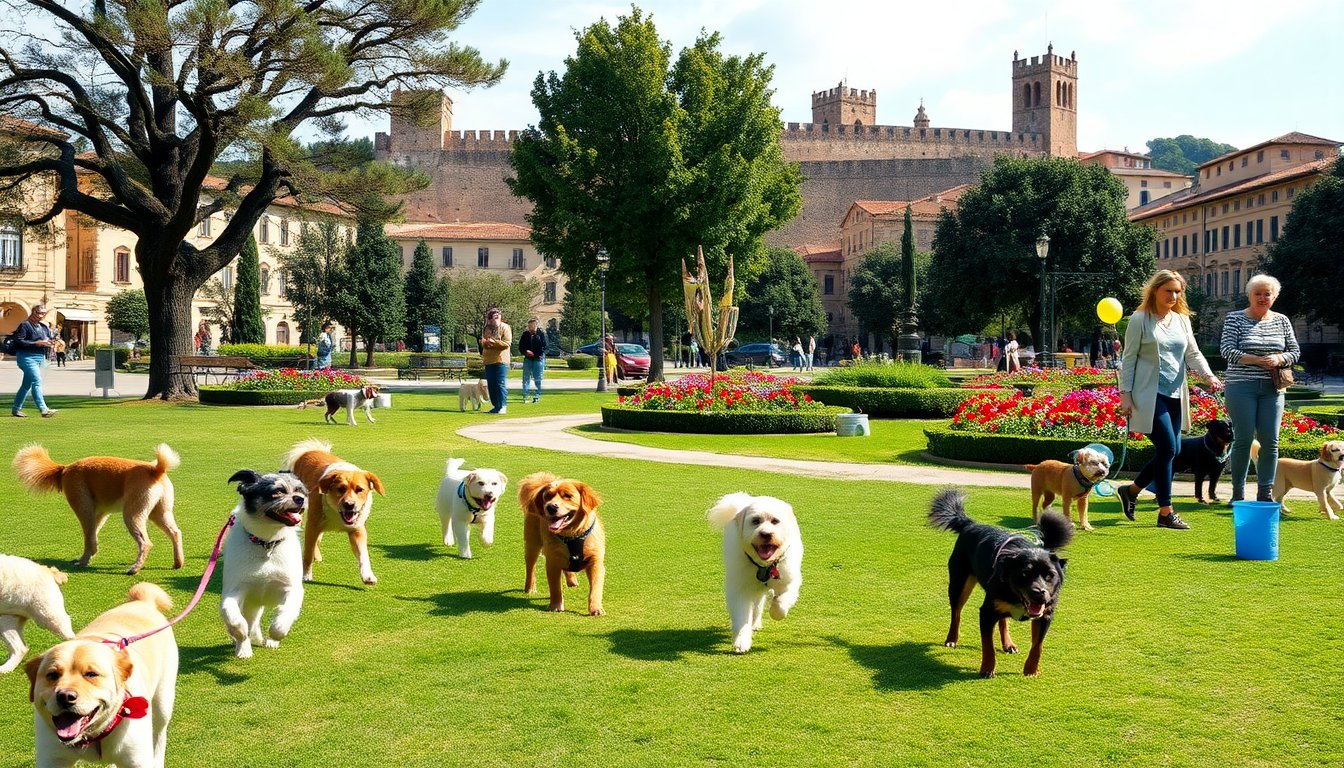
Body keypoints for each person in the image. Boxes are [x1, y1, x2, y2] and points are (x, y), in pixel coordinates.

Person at [1116, 270, 1223, 530]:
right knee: (1167, 448)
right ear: (1155, 290)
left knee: (1172, 451)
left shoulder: (1182, 320)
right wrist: (1125, 395)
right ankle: (1166, 512)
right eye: (1168, 291)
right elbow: (1128, 359)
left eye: (1177, 291)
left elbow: (1193, 353)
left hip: (1176, 394)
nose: (1173, 296)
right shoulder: (1140, 319)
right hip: (1148, 394)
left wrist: (1208, 376)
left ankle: (1131, 491)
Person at [1220, 273, 1300, 503]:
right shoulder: (1235, 318)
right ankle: (1237, 492)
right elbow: (1227, 350)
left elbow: (1294, 351)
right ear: (1249, 295)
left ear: (1274, 297)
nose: (1262, 298)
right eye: (1258, 293)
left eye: (1267, 294)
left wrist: (1279, 358)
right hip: (1241, 386)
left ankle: (1265, 492)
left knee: (1270, 441)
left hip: (1272, 388)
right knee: (1243, 439)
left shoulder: (1282, 320)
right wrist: (1256, 360)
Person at [11, 304, 58, 417]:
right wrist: (36, 343)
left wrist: (51, 342)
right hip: (26, 357)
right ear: (33, 312)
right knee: (36, 381)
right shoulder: (25, 325)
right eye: (39, 313)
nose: (41, 315)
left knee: (26, 385)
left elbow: (49, 339)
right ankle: (43, 409)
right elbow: (19, 341)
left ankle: (16, 409)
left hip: (40, 357)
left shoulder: (43, 327)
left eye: (43, 313)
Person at [480, 308, 512, 414]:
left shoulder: (505, 327)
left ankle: (503, 406)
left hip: (500, 360)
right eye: (490, 318)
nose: (491, 321)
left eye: (495, 317)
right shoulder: (487, 328)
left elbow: (507, 344)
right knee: (491, 384)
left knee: (500, 383)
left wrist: (494, 342)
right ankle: (496, 406)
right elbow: (485, 342)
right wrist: (485, 343)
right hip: (489, 360)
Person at [519, 318, 547, 404]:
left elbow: (545, 347)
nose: (530, 328)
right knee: (526, 377)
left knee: (537, 378)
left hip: (538, 359)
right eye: (529, 326)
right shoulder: (525, 334)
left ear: (536, 326)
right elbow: (521, 347)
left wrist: (537, 354)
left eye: (532, 326)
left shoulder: (542, 334)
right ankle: (525, 395)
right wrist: (526, 352)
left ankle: (537, 395)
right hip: (528, 359)